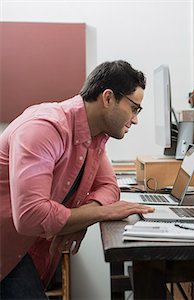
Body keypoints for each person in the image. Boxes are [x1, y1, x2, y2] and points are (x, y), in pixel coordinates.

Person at [0, 60, 155, 299]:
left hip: (29, 249)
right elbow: (30, 215)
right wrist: (102, 213)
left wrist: (77, 221)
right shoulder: (44, 128)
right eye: (135, 108)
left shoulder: (95, 136)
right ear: (108, 98)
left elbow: (109, 187)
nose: (135, 120)